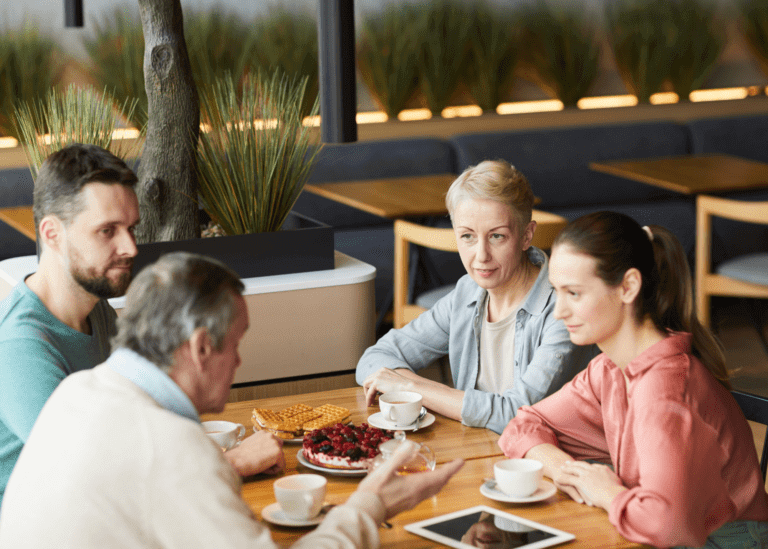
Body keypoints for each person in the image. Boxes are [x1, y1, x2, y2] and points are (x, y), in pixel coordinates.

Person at [0, 252, 464, 548]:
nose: (239, 362)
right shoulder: (172, 447)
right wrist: (371, 506)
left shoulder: (78, 392)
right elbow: (165, 467)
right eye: (236, 343)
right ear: (202, 347)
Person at [0, 144, 287, 508]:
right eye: (108, 231)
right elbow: (90, 474)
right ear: (52, 233)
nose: (131, 248)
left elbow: (133, 424)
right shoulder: (21, 347)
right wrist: (235, 462)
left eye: (131, 228)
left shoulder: (97, 310)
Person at [498, 211, 768, 548]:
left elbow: (669, 525)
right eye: (557, 292)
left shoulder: (665, 392)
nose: (559, 312)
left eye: (575, 294)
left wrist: (606, 492)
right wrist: (571, 473)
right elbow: (523, 425)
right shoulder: (609, 370)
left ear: (628, 287)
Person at [357, 160, 597, 433]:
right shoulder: (467, 293)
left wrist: (410, 387)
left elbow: (517, 414)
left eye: (497, 236)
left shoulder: (561, 308)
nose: (481, 256)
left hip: (550, 465)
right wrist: (405, 385)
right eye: (468, 236)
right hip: (477, 451)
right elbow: (375, 358)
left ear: (526, 235)